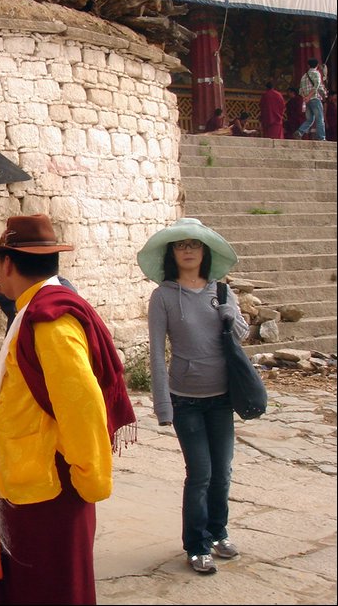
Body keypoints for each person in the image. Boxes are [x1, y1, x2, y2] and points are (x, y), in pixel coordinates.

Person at [0, 215, 136, 605]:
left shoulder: (50, 321)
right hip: (28, 482)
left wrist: (89, 481)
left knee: (51, 591)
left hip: (52, 492)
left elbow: (83, 408)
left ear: (8, 263)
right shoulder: (31, 309)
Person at [136, 217, 250, 575]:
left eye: (194, 244)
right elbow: (156, 351)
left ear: (205, 251)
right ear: (172, 252)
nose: (188, 250)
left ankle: (218, 533)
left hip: (222, 397)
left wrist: (233, 315)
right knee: (200, 472)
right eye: (181, 245)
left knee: (223, 473)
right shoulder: (164, 296)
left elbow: (242, 335)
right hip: (185, 398)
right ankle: (196, 545)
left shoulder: (222, 291)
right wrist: (162, 404)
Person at [294, 58, 328, 140]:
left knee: (310, 119)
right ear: (317, 65)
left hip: (307, 101)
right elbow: (316, 87)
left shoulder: (304, 76)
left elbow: (300, 90)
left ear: (308, 65)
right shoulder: (316, 73)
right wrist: (324, 94)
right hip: (315, 99)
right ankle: (321, 137)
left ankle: (300, 131)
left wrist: (305, 98)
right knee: (319, 119)